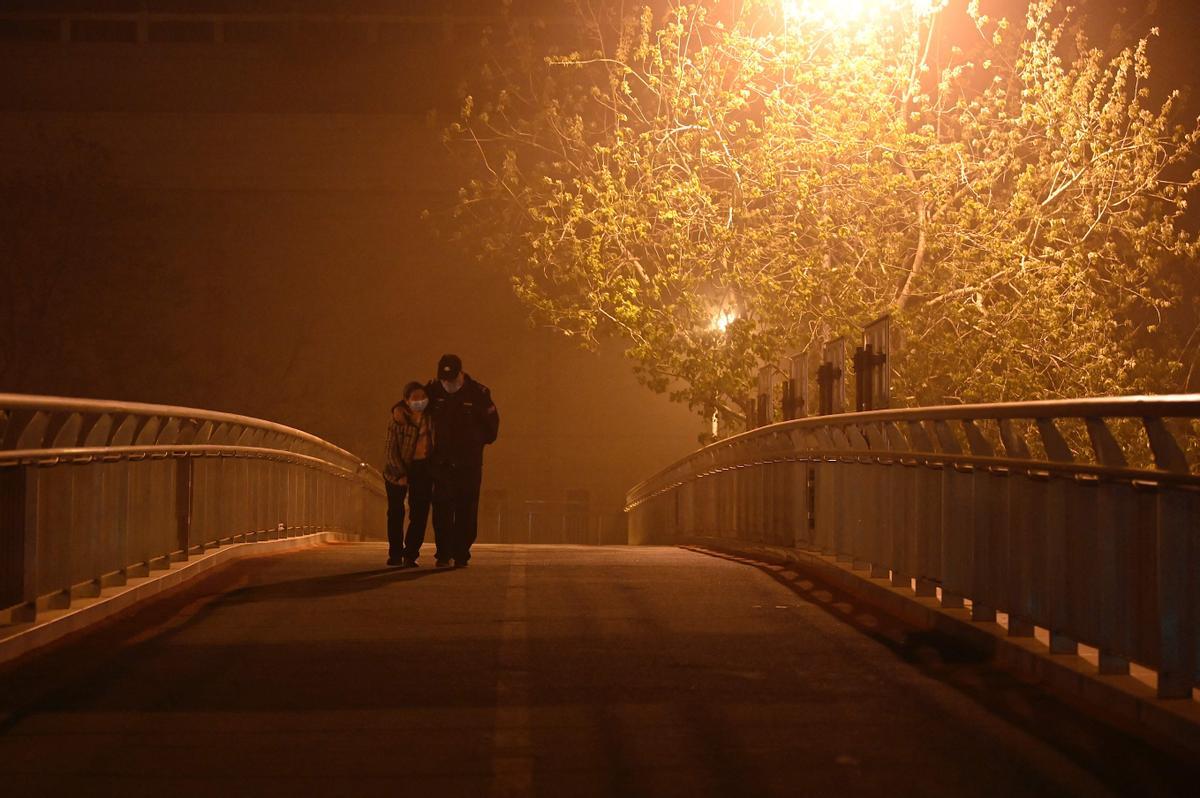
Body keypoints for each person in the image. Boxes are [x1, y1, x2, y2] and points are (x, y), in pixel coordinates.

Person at [426, 354, 499, 568]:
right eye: (444, 379)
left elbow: (492, 428)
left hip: (469, 464)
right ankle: (443, 552)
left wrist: (474, 444)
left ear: (460, 374)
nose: (447, 384)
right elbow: (412, 406)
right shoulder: (433, 391)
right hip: (442, 463)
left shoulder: (478, 393)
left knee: (466, 509)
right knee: (441, 509)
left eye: (451, 379)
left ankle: (461, 552)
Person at [382, 381, 435, 567]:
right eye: (415, 398)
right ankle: (395, 553)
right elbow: (390, 449)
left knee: (419, 512)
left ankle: (411, 553)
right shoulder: (399, 418)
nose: (420, 401)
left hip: (423, 467)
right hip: (397, 468)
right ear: (406, 400)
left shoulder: (431, 416)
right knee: (396, 512)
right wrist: (400, 474)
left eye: (423, 397)